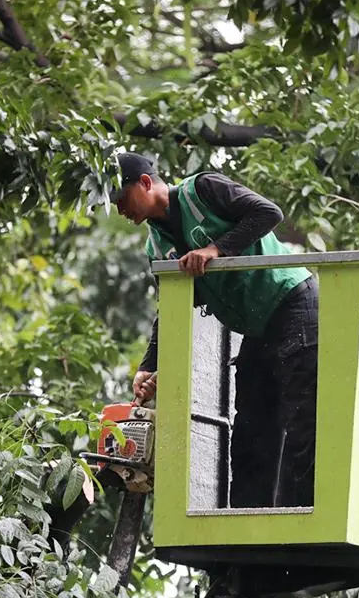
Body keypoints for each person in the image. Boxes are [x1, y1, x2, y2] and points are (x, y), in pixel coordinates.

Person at [111, 152, 318, 508]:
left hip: (292, 302)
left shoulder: (202, 190)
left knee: (303, 420)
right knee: (251, 431)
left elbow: (269, 213)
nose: (119, 210)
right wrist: (148, 365)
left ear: (145, 183)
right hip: (257, 328)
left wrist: (215, 249)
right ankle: (247, 532)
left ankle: (306, 524)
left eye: (121, 198)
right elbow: (171, 307)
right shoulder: (155, 246)